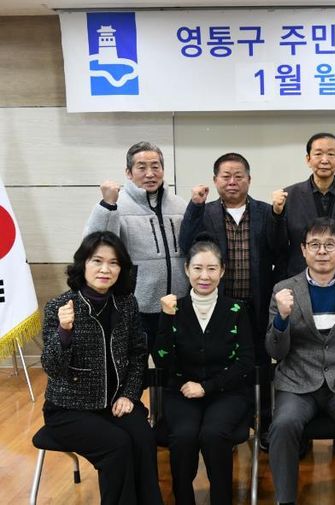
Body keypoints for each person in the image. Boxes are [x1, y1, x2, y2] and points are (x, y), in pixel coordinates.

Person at [41, 231, 162, 505]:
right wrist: (64, 331)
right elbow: (52, 368)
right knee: (117, 445)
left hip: (114, 403)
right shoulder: (60, 306)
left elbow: (138, 354)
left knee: (143, 438)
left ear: (121, 269)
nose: (105, 269)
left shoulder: (126, 303)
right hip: (69, 410)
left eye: (114, 263)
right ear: (83, 264)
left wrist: (129, 395)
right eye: (97, 261)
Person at [266, 217, 335, 505]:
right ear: (303, 249)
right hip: (297, 384)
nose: (322, 251)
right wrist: (282, 318)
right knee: (283, 424)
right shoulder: (283, 290)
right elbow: (275, 352)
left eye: (330, 245)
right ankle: (285, 500)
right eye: (314, 244)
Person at [179, 152, 282, 447]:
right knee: (225, 364)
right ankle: (232, 422)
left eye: (239, 176)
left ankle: (264, 421)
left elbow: (279, 249)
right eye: (226, 176)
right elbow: (186, 245)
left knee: (261, 362)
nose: (232, 181)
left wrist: (278, 215)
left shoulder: (265, 212)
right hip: (220, 307)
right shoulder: (206, 212)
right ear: (215, 180)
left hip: (257, 304)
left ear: (249, 179)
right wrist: (195, 206)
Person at [153, 234, 254, 505]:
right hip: (181, 392)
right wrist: (166, 319)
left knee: (214, 434)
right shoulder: (174, 308)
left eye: (212, 268)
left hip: (227, 392)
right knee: (183, 436)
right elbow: (162, 360)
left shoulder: (236, 309)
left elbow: (245, 361)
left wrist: (207, 387)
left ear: (222, 271)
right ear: (187, 270)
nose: (204, 276)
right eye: (197, 268)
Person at [84, 141, 188, 352]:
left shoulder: (180, 205)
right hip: (138, 306)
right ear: (128, 173)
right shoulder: (116, 204)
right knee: (136, 365)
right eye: (141, 167)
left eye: (155, 166)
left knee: (175, 364)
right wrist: (107, 205)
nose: (150, 173)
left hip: (178, 304)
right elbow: (95, 244)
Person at [272, 132, 335, 284]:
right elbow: (279, 248)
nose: (324, 160)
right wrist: (276, 214)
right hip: (299, 283)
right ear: (308, 159)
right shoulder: (289, 196)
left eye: (331, 154)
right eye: (318, 154)